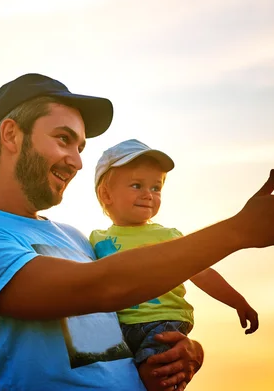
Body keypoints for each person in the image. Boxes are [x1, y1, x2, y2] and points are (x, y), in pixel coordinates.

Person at [0, 73, 274, 391]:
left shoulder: (76, 239)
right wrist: (236, 232)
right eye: (63, 139)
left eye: (80, 147)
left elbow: (117, 331)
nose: (76, 161)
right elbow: (102, 287)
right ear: (11, 135)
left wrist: (180, 353)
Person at [89, 139, 260, 389]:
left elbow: (201, 271)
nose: (148, 194)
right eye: (137, 185)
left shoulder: (168, 236)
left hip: (161, 322)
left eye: (156, 188)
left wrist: (237, 301)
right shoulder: (95, 240)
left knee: (159, 375)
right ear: (106, 194)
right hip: (117, 327)